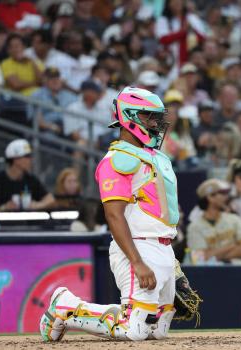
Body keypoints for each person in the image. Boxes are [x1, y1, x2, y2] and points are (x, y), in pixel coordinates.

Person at [40, 87, 182, 341]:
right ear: (130, 117)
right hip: (137, 247)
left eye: (156, 117)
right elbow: (114, 216)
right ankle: (65, 306)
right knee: (133, 329)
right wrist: (137, 261)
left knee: (157, 330)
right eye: (149, 117)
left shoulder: (154, 156)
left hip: (163, 246)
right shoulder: (118, 159)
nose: (156, 124)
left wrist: (172, 265)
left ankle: (84, 309)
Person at [186, 178, 241, 264]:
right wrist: (231, 246)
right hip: (211, 275)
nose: (227, 197)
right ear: (210, 197)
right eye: (223, 193)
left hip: (240, 272)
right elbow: (200, 258)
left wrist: (214, 255)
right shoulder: (194, 227)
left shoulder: (234, 219)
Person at [0, 139, 55, 212]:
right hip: (3, 222)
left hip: (29, 222)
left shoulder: (31, 180)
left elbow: (51, 200)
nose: (30, 159)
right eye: (27, 156)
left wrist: (37, 205)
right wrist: (5, 207)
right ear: (16, 159)